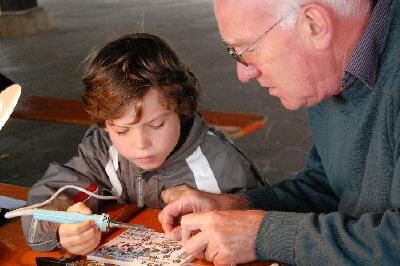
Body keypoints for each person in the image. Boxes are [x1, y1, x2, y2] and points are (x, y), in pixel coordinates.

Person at [159, 0, 400, 265]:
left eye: (246, 49)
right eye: (233, 52)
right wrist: (240, 207)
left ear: (315, 25)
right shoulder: (328, 68)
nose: (243, 73)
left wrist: (260, 236)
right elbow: (329, 188)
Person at [21, 33, 263, 254]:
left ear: (182, 108)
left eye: (156, 125)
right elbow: (45, 199)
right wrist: (60, 226)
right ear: (105, 124)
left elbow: (265, 224)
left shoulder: (219, 162)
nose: (141, 145)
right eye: (122, 130)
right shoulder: (101, 152)